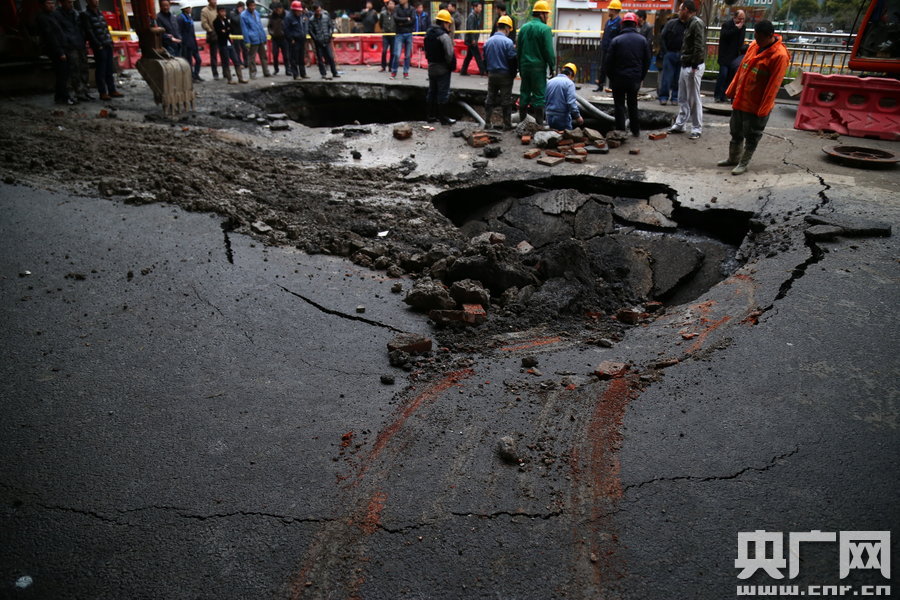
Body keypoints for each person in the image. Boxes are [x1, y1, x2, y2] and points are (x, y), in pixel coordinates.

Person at [718, 20, 790, 175]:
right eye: (755, 36)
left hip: (756, 104)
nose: (756, 40)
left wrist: (763, 108)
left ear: (769, 36)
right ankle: (733, 158)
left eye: (759, 37)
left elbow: (774, 85)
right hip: (741, 99)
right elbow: (741, 71)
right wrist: (732, 91)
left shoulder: (779, 56)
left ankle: (743, 163)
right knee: (735, 131)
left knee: (752, 135)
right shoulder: (753, 46)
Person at [604, 12, 650, 136]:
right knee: (632, 104)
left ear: (622, 24)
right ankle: (635, 131)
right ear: (635, 24)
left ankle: (620, 131)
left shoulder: (616, 40)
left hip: (618, 79)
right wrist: (641, 77)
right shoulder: (642, 40)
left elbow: (608, 63)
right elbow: (647, 62)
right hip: (634, 79)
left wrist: (612, 77)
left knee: (619, 105)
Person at [668, 0, 705, 140]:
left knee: (694, 98)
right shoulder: (690, 24)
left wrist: (695, 66)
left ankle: (696, 128)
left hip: (692, 66)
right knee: (683, 97)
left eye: (681, 9)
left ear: (687, 10)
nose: (679, 12)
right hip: (686, 64)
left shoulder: (696, 23)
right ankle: (680, 124)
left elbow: (699, 45)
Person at [516, 0, 554, 124]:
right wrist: (552, 67)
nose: (547, 17)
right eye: (547, 14)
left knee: (524, 93)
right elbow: (548, 51)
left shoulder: (524, 28)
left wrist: (519, 67)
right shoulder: (545, 29)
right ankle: (539, 126)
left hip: (525, 66)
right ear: (542, 14)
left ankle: (522, 124)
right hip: (538, 67)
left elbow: (519, 49)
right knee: (539, 97)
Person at [81, 0, 122, 100]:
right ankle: (102, 92)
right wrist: (97, 44)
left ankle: (112, 90)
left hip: (106, 43)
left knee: (109, 68)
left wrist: (110, 41)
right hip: (99, 45)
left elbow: (105, 28)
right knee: (101, 69)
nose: (96, 1)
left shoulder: (100, 13)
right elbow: (89, 31)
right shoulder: (85, 15)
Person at [483, 14, 517, 129]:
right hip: (505, 75)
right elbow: (512, 59)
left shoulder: (488, 42)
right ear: (507, 28)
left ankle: (487, 122)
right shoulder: (508, 43)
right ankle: (507, 124)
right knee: (506, 99)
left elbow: (485, 59)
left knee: (490, 97)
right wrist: (513, 74)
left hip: (492, 74)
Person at [37, 0, 72, 105]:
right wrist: (60, 51)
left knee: (63, 74)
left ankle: (59, 96)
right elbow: (51, 37)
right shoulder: (43, 18)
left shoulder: (53, 16)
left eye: (52, 3)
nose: (51, 6)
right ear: (43, 5)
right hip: (55, 50)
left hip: (61, 47)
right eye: (48, 3)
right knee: (62, 74)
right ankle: (64, 97)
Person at [424, 9, 456, 125]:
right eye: (448, 24)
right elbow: (449, 54)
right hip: (442, 68)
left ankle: (430, 116)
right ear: (444, 23)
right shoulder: (443, 36)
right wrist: (450, 65)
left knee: (432, 92)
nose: (449, 26)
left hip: (431, 67)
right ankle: (443, 118)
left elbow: (426, 52)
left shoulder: (428, 34)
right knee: (443, 93)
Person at [57, 0, 91, 101]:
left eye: (71, 2)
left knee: (84, 68)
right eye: (68, 2)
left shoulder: (76, 14)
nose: (70, 4)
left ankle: (84, 91)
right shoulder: (58, 15)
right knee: (74, 70)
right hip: (70, 46)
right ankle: (78, 92)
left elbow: (81, 28)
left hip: (80, 44)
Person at [714, 9, 745, 102]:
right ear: (735, 17)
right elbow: (725, 35)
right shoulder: (727, 25)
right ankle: (717, 95)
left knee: (730, 77)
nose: (741, 21)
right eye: (740, 18)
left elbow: (741, 41)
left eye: (743, 19)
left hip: (734, 56)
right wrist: (736, 29)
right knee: (723, 75)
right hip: (724, 55)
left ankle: (724, 95)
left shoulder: (743, 27)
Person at [657, 12, 685, 105]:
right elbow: (662, 37)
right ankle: (664, 97)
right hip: (670, 53)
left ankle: (675, 97)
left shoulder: (689, 25)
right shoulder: (671, 24)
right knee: (667, 77)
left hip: (682, 54)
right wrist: (666, 51)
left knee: (678, 78)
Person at [545, 63, 583, 130]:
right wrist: (577, 117)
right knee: (567, 138)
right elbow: (571, 103)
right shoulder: (569, 83)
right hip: (562, 117)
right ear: (571, 74)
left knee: (552, 137)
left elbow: (544, 99)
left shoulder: (549, 82)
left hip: (549, 116)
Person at [214, 4, 246, 83]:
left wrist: (226, 29)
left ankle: (240, 78)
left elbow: (230, 29)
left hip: (229, 43)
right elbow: (221, 33)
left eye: (224, 11)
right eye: (221, 11)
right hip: (222, 44)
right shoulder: (216, 22)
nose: (223, 13)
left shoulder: (226, 20)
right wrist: (225, 30)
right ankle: (229, 79)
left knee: (236, 61)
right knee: (226, 62)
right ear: (218, 12)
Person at [596, 0, 622, 91]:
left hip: (614, 50)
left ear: (614, 10)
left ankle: (612, 87)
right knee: (603, 67)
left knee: (613, 68)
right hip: (605, 48)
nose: (608, 11)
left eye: (610, 9)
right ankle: (600, 86)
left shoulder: (619, 23)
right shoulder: (608, 22)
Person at [241, 0, 271, 78]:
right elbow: (244, 29)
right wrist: (247, 41)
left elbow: (260, 26)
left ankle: (266, 71)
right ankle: (253, 73)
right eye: (251, 6)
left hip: (260, 37)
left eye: (254, 5)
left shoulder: (256, 13)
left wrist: (264, 37)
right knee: (252, 57)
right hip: (252, 39)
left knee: (263, 56)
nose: (253, 7)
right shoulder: (243, 16)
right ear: (248, 6)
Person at [309, 3, 340, 79]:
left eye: (320, 10)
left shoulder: (326, 17)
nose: (319, 12)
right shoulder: (312, 20)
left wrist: (329, 35)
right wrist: (316, 39)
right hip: (318, 42)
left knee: (330, 57)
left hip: (326, 40)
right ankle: (323, 73)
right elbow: (310, 31)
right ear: (314, 11)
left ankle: (334, 72)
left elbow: (330, 26)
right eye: (317, 11)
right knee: (320, 59)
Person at [285, 1, 310, 79]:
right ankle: (296, 74)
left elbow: (304, 26)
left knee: (301, 57)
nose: (300, 12)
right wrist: (291, 39)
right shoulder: (289, 18)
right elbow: (286, 30)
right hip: (294, 40)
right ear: (294, 10)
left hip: (301, 39)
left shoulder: (301, 16)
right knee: (294, 58)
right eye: (298, 11)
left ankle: (303, 73)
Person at [460, 1, 486, 76]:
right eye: (479, 7)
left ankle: (463, 70)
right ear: (474, 7)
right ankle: (482, 71)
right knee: (477, 55)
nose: (480, 9)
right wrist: (473, 39)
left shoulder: (476, 15)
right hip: (471, 40)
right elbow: (471, 28)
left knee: (469, 56)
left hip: (473, 39)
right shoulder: (472, 16)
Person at [178, 5, 203, 81]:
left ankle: (195, 74)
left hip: (192, 42)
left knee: (198, 60)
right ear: (185, 9)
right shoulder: (180, 18)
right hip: (186, 43)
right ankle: (190, 77)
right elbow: (180, 31)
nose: (190, 9)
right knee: (189, 61)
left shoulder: (189, 17)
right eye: (189, 8)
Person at [391, 0, 414, 79]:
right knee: (397, 54)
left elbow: (413, 20)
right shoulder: (396, 8)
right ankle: (394, 72)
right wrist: (406, 19)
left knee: (407, 55)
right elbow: (395, 18)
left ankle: (406, 72)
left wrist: (401, 23)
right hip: (399, 34)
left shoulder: (412, 9)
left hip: (409, 34)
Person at [268, 2, 290, 75]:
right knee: (275, 54)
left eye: (279, 9)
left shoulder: (286, 16)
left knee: (286, 55)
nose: (278, 11)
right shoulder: (272, 16)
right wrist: (272, 33)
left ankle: (288, 69)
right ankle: (276, 69)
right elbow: (269, 26)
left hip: (284, 38)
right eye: (277, 9)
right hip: (275, 38)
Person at [201, 0, 219, 79]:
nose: (214, 1)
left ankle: (226, 72)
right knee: (213, 55)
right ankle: (215, 73)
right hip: (213, 35)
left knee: (225, 53)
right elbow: (204, 23)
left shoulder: (218, 9)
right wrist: (210, 30)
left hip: (222, 35)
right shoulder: (205, 11)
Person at [378, 0, 396, 72]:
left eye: (393, 4)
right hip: (385, 34)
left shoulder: (396, 14)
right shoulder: (383, 14)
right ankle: (383, 66)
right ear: (387, 5)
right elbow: (380, 23)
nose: (391, 5)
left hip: (394, 34)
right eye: (390, 4)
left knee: (393, 51)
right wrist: (383, 29)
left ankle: (391, 66)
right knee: (384, 50)